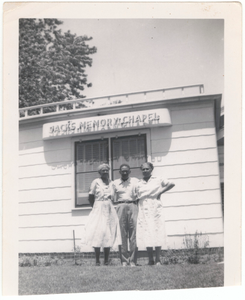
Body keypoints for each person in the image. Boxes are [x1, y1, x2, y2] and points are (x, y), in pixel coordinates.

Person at [136, 162, 175, 266]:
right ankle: (150, 260)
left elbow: (171, 183)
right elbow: (136, 196)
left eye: (147, 169)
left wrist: (160, 192)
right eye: (143, 169)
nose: (145, 171)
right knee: (147, 232)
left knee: (157, 230)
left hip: (155, 206)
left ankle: (158, 259)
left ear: (151, 169)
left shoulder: (158, 179)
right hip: (143, 207)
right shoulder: (139, 182)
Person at [84, 163, 122, 266]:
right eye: (103, 170)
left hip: (109, 208)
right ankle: (97, 260)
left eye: (106, 170)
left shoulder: (111, 183)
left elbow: (115, 195)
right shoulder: (96, 182)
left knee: (108, 233)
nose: (105, 172)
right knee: (98, 232)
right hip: (98, 207)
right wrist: (95, 208)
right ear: (99, 172)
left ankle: (106, 260)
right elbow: (91, 196)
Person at [112, 164, 139, 267]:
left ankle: (133, 261)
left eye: (126, 171)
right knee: (122, 233)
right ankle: (124, 260)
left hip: (132, 205)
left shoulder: (135, 181)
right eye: (122, 171)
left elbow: (140, 194)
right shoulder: (115, 183)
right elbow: (111, 196)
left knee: (133, 233)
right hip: (120, 205)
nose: (124, 172)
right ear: (119, 172)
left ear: (129, 171)